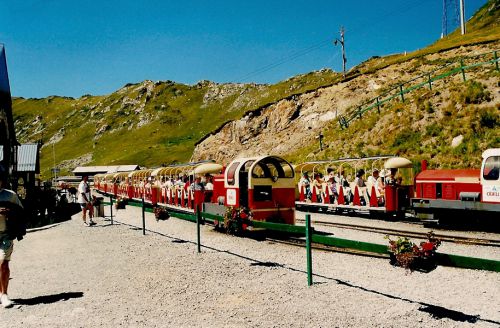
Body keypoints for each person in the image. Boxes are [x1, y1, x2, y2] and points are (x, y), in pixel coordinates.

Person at [0, 167, 25, 308]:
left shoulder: (10, 195)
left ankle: (4, 295)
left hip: (6, 235)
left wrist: (10, 212)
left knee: (3, 262)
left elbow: (21, 213)